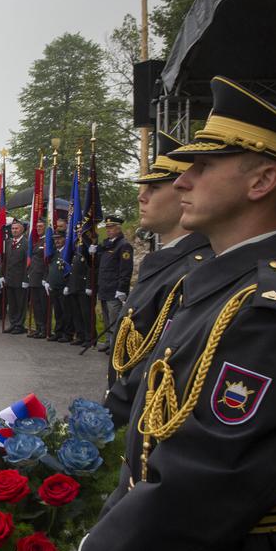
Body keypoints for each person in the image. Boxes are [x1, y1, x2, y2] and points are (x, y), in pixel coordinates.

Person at [79, 76, 276, 551]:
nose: (181, 178)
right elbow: (156, 427)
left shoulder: (266, 306)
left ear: (263, 181)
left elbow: (212, 475)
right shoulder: (225, 285)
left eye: (205, 165)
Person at [104, 131, 212, 425]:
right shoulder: (166, 261)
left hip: (148, 419)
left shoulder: (194, 270)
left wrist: (104, 420)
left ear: (183, 191)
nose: (142, 196)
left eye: (155, 187)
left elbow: (162, 365)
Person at [92, 216, 134, 352]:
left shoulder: (123, 245)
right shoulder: (106, 245)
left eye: (111, 228)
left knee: (114, 319)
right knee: (106, 318)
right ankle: (109, 341)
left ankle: (116, 345)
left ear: (118, 229)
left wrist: (122, 288)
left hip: (114, 289)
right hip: (104, 287)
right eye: (107, 228)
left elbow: (125, 269)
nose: (108, 230)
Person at [1, 220, 28, 334]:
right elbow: (5, 260)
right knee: (11, 303)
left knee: (20, 303)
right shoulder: (8, 242)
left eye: (16, 228)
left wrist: (26, 279)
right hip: (9, 278)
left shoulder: (26, 243)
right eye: (12, 229)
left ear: (22, 230)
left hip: (20, 278)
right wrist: (2, 275)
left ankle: (19, 325)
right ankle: (13, 323)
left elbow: (28, 262)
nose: (14, 231)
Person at [45, 232, 72, 343]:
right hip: (54, 286)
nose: (57, 241)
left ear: (64, 239)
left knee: (66, 312)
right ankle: (58, 332)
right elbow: (51, 268)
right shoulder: (54, 253)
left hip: (64, 286)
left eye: (59, 239)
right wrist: (48, 281)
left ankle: (67, 334)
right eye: (55, 239)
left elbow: (71, 270)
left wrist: (68, 285)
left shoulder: (68, 253)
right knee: (58, 312)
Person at [25, 221, 49, 338]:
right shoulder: (36, 241)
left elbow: (47, 261)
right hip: (34, 277)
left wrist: (45, 277)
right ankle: (39, 327)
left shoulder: (47, 241)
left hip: (42, 278)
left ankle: (44, 329)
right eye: (37, 226)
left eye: (41, 226)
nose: (38, 228)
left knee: (43, 305)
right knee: (35, 305)